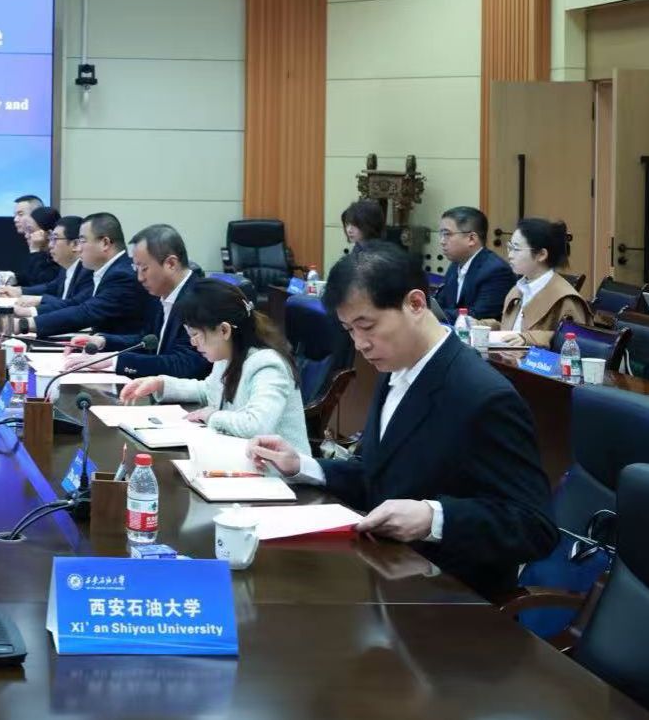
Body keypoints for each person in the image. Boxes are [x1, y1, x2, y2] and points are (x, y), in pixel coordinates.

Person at [247, 241, 557, 599]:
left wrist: (434, 517)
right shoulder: (396, 369)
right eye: (349, 330)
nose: (360, 344)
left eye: (367, 326)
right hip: (388, 575)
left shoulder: (483, 395)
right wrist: (303, 465)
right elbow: (380, 474)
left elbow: (535, 527)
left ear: (415, 304)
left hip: (452, 597)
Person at [118, 279, 311, 457]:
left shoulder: (267, 365)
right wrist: (160, 383)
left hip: (281, 476)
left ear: (224, 330)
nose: (193, 343)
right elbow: (208, 390)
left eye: (195, 335)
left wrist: (211, 416)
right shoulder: (227, 356)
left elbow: (256, 425)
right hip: (241, 461)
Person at [75, 224, 210, 380]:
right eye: (136, 268)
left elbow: (186, 364)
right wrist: (104, 341)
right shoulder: (160, 295)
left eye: (144, 268)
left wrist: (115, 361)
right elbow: (148, 342)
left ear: (171, 264)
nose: (139, 278)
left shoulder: (201, 300)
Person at [13, 212, 144, 339]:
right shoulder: (109, 271)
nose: (79, 248)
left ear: (105, 243)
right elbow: (77, 304)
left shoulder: (121, 276)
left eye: (82, 241)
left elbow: (85, 312)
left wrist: (24, 324)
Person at [487, 218, 592, 348]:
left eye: (516, 249)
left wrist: (529, 339)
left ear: (541, 254)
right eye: (510, 247)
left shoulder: (566, 300)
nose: (510, 255)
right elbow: (511, 331)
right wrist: (479, 325)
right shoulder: (518, 289)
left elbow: (576, 342)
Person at [434, 206, 515, 321]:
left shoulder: (496, 271)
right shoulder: (455, 265)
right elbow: (441, 304)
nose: (442, 241)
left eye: (447, 234)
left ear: (471, 239)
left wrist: (430, 315)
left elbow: (478, 315)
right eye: (441, 234)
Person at [1, 215, 89, 311]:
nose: (50, 245)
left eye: (55, 239)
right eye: (51, 239)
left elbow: (74, 305)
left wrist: (35, 306)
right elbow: (51, 287)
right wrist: (20, 291)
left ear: (75, 244)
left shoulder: (87, 272)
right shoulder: (66, 267)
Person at [19, 205, 63, 287]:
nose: (26, 235)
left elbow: (39, 284)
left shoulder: (58, 257)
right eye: (26, 231)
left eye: (30, 230)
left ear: (49, 234)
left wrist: (35, 251)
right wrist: (14, 279)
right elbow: (27, 278)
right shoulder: (41, 252)